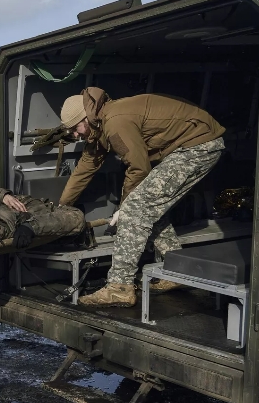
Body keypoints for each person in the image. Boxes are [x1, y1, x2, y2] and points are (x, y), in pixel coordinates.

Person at [58, 87, 226, 307]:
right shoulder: (99, 126)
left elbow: (138, 169)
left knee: (135, 209)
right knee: (148, 208)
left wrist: (125, 207)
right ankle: (175, 271)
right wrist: (63, 205)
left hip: (199, 146)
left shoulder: (115, 122)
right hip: (185, 146)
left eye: (74, 129)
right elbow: (85, 167)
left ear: (85, 119)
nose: (74, 135)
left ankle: (119, 288)